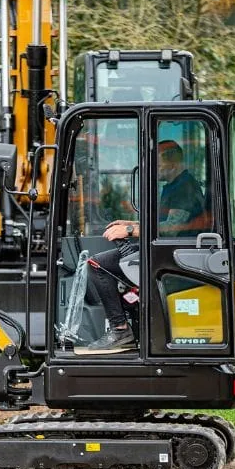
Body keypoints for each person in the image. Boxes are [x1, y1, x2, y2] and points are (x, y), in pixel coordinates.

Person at [82, 140, 205, 352]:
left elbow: (173, 228)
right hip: (166, 250)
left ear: (172, 161)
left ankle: (120, 330)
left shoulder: (184, 188)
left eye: (157, 165)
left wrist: (130, 232)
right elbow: (161, 224)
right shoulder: (175, 186)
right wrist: (131, 224)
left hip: (173, 256)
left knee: (97, 265)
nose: (154, 170)